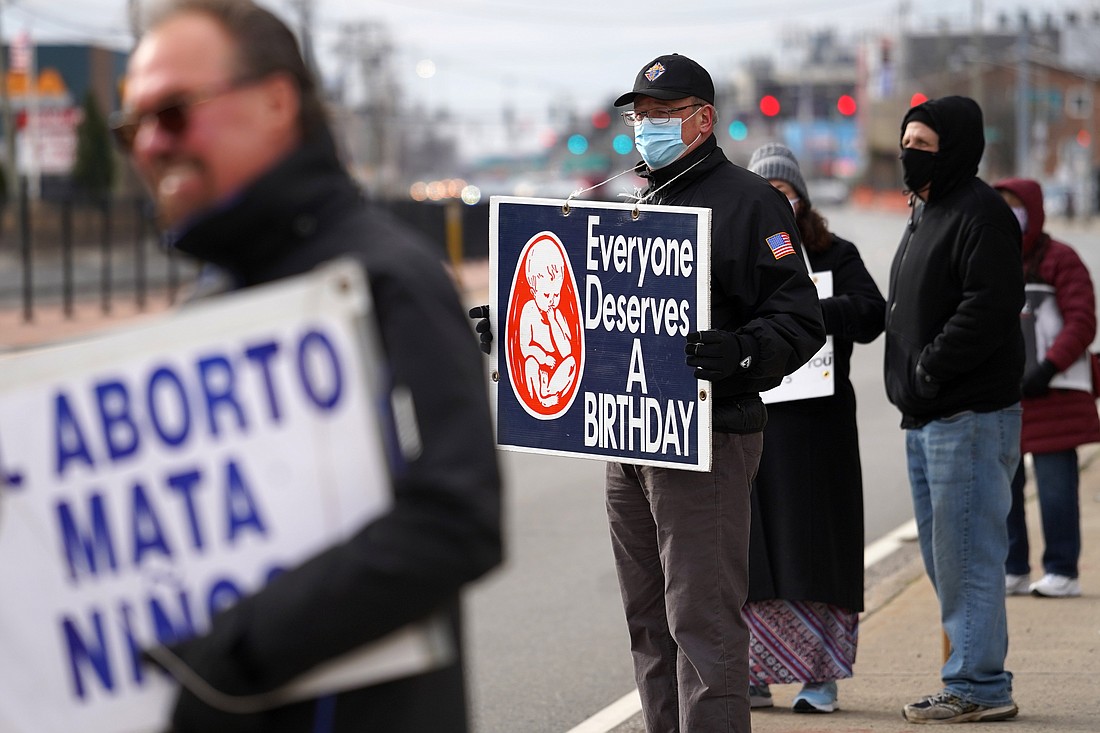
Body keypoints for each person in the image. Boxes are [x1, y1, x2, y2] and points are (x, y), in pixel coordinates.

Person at [112, 1, 502, 730]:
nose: (152, 144)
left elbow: (458, 518)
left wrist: (232, 655)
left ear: (275, 101)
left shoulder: (389, 277)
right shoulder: (208, 305)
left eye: (172, 112)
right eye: (133, 126)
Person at [885, 95, 1024, 724]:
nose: (909, 156)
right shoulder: (929, 209)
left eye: (923, 146)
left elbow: (989, 306)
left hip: (966, 415)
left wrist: (931, 366)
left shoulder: (981, 213)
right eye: (906, 143)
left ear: (958, 150)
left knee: (969, 555)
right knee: (949, 558)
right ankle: (972, 675)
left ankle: (978, 686)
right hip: (928, 417)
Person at [743, 143, 885, 714]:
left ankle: (819, 677)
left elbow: (873, 313)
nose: (778, 203)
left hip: (819, 431)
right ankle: (751, 672)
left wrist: (809, 316)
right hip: (752, 424)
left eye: (787, 193)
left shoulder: (834, 254)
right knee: (749, 549)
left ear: (802, 199)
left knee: (816, 545)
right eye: (766, 194)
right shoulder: (731, 256)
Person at [993, 177, 1100, 599]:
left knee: (1056, 487)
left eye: (1016, 207)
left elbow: (1082, 320)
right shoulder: (990, 257)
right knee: (1005, 487)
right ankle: (1013, 567)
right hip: (1006, 394)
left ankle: (1062, 570)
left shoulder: (1061, 259)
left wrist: (1049, 366)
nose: (1010, 216)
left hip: (1053, 394)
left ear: (1033, 210)